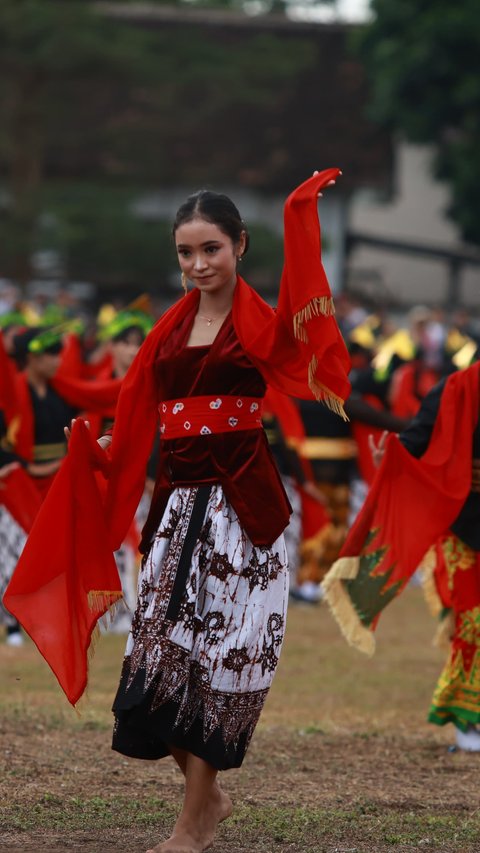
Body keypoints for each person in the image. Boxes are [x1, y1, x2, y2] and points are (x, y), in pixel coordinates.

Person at [6, 170, 351, 853]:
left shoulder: (260, 324)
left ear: (240, 246)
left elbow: (304, 315)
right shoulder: (168, 331)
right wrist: (100, 442)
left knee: (219, 667)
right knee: (156, 674)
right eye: (186, 252)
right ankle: (209, 796)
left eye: (212, 249)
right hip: (177, 509)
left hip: (242, 514)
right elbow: (137, 405)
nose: (198, 264)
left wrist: (300, 219)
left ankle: (191, 824)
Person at [324, 356, 480, 753]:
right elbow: (413, 444)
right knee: (473, 622)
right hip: (466, 520)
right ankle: (468, 719)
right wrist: (390, 462)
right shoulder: (452, 391)